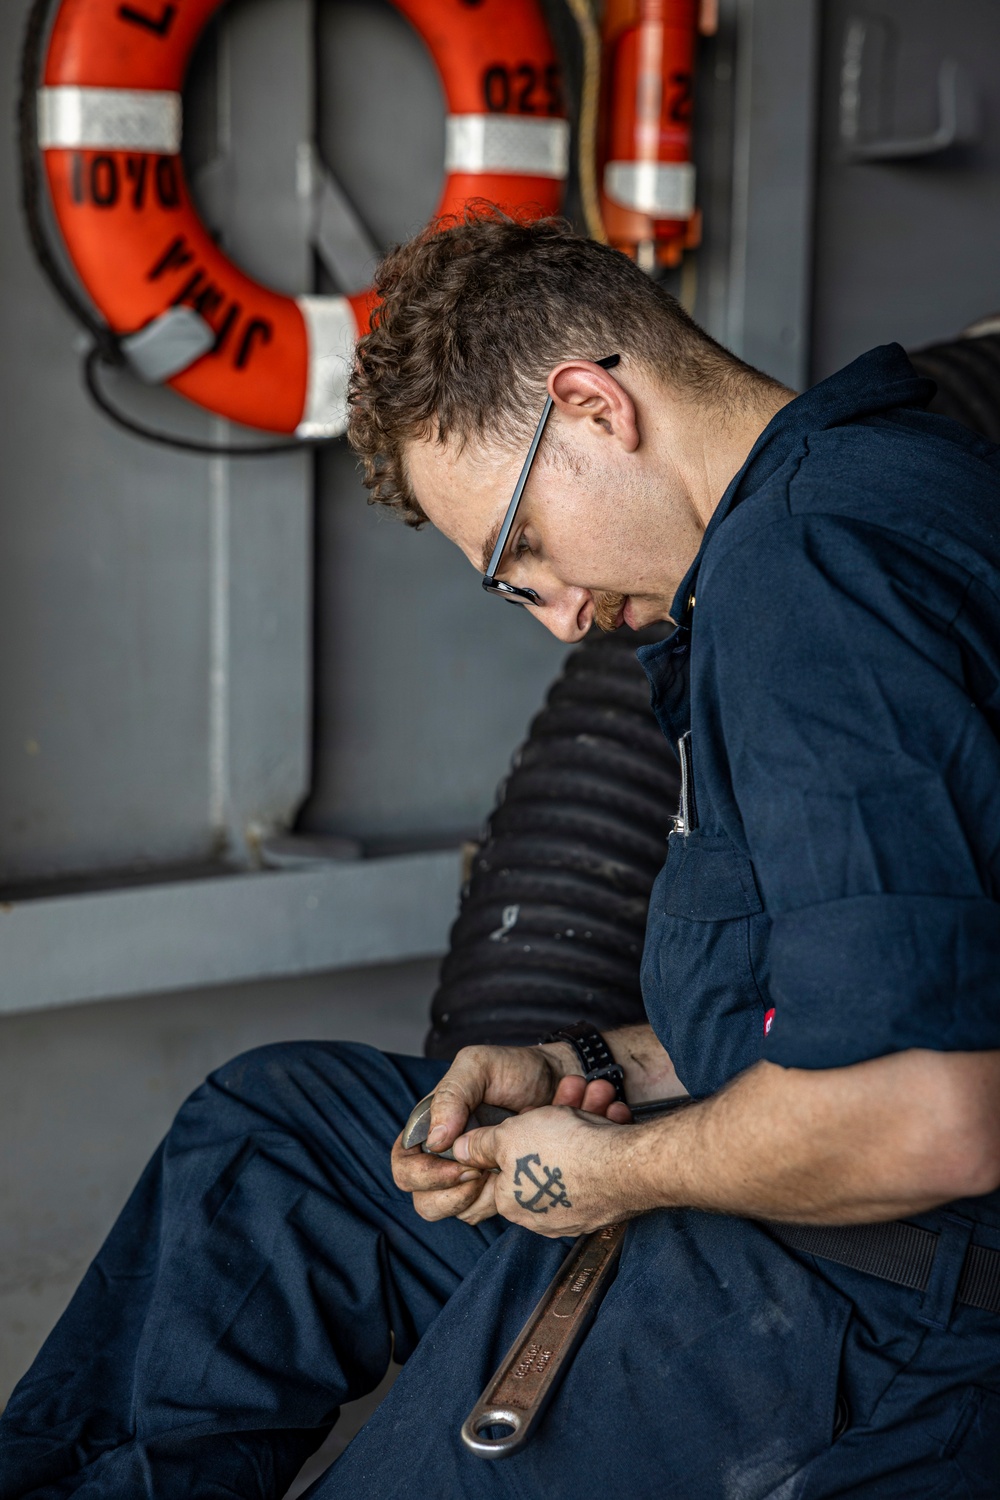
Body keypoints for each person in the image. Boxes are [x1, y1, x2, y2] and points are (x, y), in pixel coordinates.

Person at [3, 209, 1000, 1499]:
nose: (560, 618)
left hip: (877, 1308)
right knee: (277, 1139)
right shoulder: (849, 504)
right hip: (825, 1214)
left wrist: (610, 1172)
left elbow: (927, 1114)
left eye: (522, 550)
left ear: (591, 405)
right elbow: (836, 995)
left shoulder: (812, 578)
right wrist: (577, 1064)